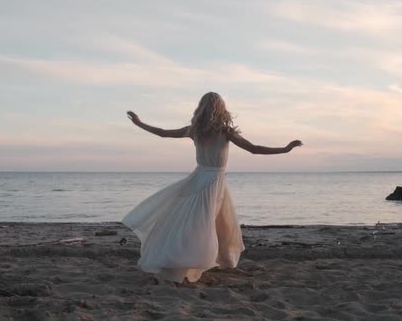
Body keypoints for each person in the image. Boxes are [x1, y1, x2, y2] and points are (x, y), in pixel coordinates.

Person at [122, 91, 303, 283]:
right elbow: (254, 149)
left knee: (217, 221)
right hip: (211, 180)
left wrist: (139, 123)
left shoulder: (195, 130)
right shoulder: (222, 132)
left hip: (203, 178)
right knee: (206, 222)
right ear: (221, 109)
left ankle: (220, 259)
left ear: (201, 109)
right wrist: (285, 149)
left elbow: (163, 133)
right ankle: (190, 260)